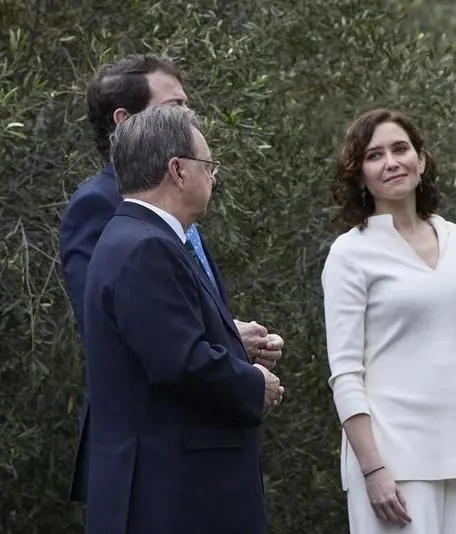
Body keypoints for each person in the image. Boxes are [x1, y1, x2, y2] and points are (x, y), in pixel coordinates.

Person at [58, 54, 283, 503]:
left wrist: (230, 335)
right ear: (124, 121)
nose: (188, 115)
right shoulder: (114, 208)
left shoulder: (163, 209)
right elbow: (123, 328)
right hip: (156, 455)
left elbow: (166, 311)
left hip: (198, 445)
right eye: (174, 106)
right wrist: (248, 381)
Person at [321, 108, 456, 534]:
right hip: (393, 462)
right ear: (360, 175)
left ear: (422, 160)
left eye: (401, 149)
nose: (392, 161)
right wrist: (372, 469)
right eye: (375, 155)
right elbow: (344, 373)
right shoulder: (349, 253)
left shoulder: (453, 237)